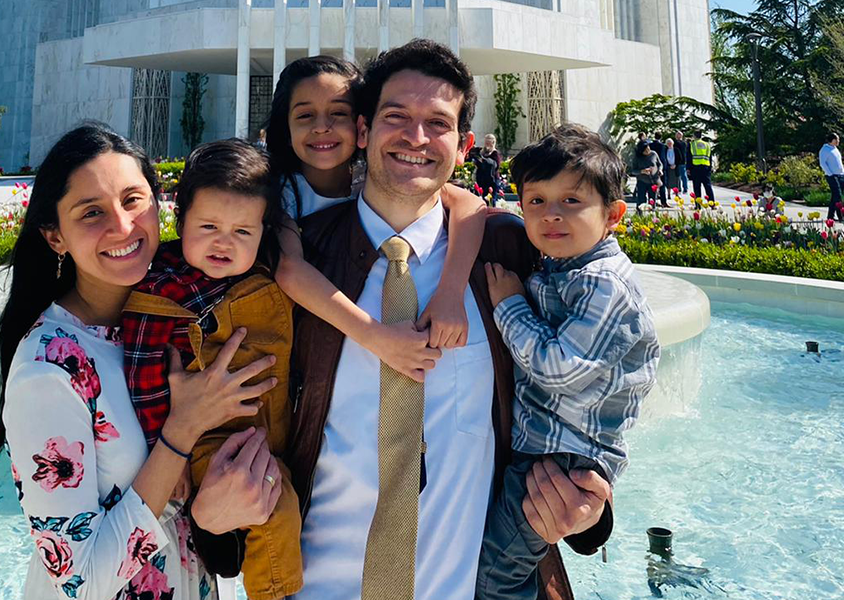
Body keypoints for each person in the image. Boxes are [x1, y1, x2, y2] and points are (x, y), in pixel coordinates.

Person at [283, 39, 613, 600]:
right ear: (362, 132)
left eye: (437, 123)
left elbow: (592, 373)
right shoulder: (303, 258)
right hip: (314, 585)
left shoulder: (509, 254)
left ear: (462, 146)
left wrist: (587, 503)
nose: (415, 138)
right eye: (397, 117)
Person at [0, 123, 286, 600]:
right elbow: (82, 579)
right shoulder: (50, 369)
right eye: (91, 213)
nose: (122, 227)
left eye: (133, 200)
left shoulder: (182, 311)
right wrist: (181, 432)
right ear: (55, 237)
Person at [476, 124, 660, 600]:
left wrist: (509, 307)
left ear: (613, 215)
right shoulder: (562, 267)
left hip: (561, 460)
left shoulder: (603, 284)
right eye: (535, 201)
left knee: (497, 576)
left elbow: (560, 368)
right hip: (545, 450)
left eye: (571, 202)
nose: (550, 216)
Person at [121, 139, 302, 600]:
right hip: (207, 441)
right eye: (208, 227)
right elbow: (143, 379)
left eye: (244, 231)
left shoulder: (260, 271)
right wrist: (170, 455)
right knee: (275, 509)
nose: (225, 241)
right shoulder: (162, 291)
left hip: (265, 427)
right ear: (180, 222)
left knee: (278, 503)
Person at [267, 54, 487, 376]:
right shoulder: (281, 191)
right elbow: (290, 269)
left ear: (359, 125)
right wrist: (376, 337)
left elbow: (469, 205)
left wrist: (450, 292)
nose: (322, 127)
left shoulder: (369, 177)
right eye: (305, 115)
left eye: (338, 113)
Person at [630, 140, 663, 212]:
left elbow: (660, 164)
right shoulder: (637, 157)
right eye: (645, 151)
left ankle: (652, 215)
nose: (648, 151)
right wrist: (642, 171)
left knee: (652, 200)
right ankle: (640, 216)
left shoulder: (654, 154)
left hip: (653, 181)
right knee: (641, 200)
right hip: (642, 181)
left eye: (648, 148)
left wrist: (660, 170)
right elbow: (633, 171)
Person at [819, 132, 843, 222]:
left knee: (835, 196)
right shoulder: (825, 150)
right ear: (832, 140)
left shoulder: (835, 149)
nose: (838, 141)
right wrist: (830, 173)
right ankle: (840, 215)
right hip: (832, 176)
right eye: (837, 139)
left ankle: (830, 216)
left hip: (840, 175)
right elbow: (823, 163)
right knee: (838, 195)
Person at [472, 133, 502, 203]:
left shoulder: (495, 154)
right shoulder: (481, 152)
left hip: (492, 181)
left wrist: (483, 160)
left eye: (488, 143)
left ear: (493, 143)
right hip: (481, 180)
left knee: (490, 201)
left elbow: (495, 165)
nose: (487, 145)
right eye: (486, 143)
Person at [689, 130, 715, 203]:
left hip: (695, 167)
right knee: (708, 186)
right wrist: (710, 167)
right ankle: (712, 203)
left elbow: (689, 157)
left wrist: (688, 168)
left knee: (697, 187)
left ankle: (698, 205)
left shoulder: (692, 144)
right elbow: (710, 157)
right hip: (706, 167)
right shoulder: (707, 144)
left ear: (694, 136)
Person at [663, 137, 676, 206]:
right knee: (668, 182)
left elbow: (679, 157)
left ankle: (676, 194)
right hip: (668, 167)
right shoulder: (665, 150)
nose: (669, 145)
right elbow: (664, 158)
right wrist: (668, 165)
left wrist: (675, 164)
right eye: (668, 143)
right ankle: (668, 194)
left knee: (675, 181)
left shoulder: (676, 149)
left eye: (670, 143)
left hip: (675, 167)